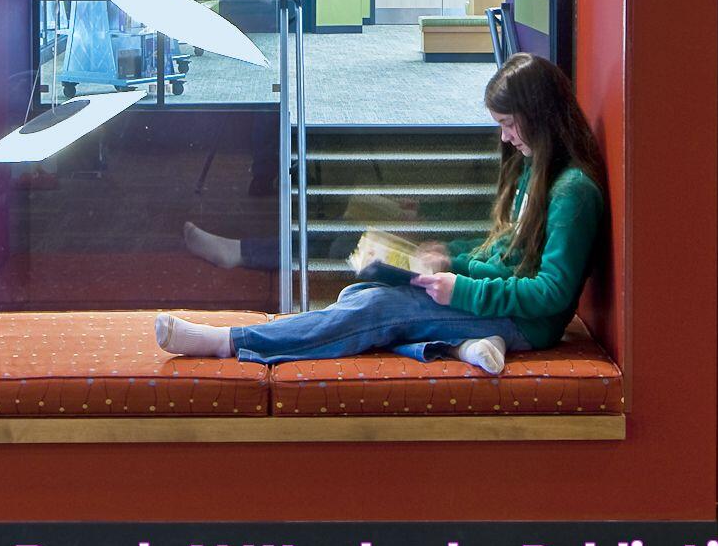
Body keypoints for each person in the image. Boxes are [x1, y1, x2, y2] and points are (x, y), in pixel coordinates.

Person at [156, 52, 606, 374]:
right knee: (362, 293)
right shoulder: (536, 172)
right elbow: (507, 251)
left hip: (525, 323)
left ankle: (229, 342)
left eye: (509, 125)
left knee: (375, 308)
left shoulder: (573, 193)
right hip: (497, 305)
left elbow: (550, 294)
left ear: (541, 116)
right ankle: (462, 345)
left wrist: (462, 290)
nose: (506, 138)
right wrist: (448, 257)